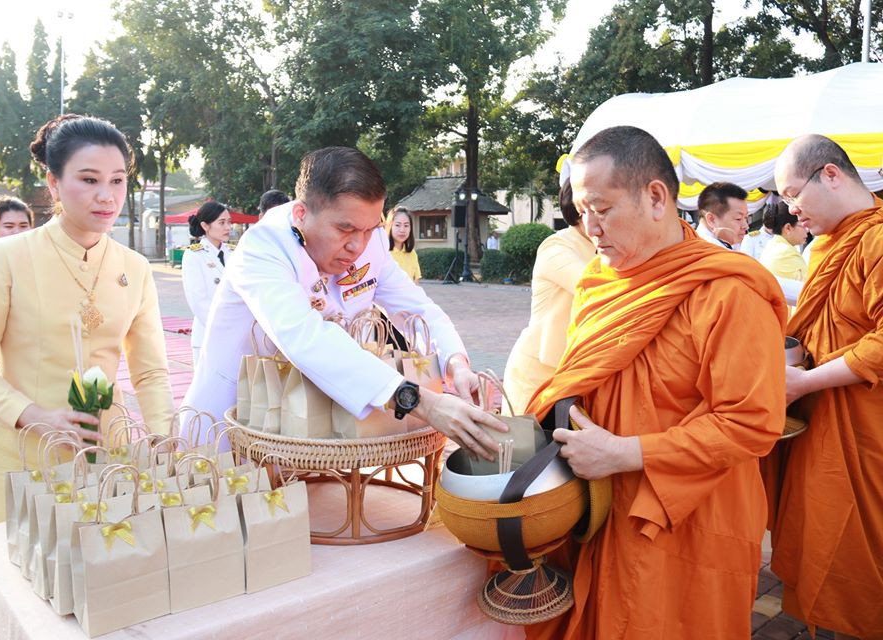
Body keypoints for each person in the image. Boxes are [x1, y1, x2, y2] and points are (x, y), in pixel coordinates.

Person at [523, 126, 786, 639]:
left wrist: (626, 453)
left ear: (657, 197)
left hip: (686, 517)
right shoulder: (602, 282)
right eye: (581, 211)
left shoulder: (729, 293)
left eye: (601, 208)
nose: (589, 227)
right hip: (600, 505)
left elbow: (752, 423)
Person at [181, 146, 506, 458]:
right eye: (345, 229)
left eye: (369, 229)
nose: (358, 246)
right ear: (300, 214)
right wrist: (425, 403)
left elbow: (417, 309)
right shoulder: (264, 246)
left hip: (313, 427)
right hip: (234, 418)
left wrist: (456, 364)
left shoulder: (372, 241)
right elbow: (305, 337)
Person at [0, 114, 174, 527]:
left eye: (118, 180)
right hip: (22, 449)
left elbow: (151, 373)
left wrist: (163, 436)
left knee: (107, 566)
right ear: (53, 183)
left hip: (110, 452)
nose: (107, 196)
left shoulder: (136, 267)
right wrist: (36, 415)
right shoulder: (6, 259)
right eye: (89, 180)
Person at [766, 134, 883, 639]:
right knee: (825, 540)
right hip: (825, 421)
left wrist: (807, 379)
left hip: (867, 429)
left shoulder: (876, 239)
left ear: (830, 174)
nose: (791, 210)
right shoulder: (830, 245)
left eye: (793, 194)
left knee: (864, 553)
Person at [502, 179, 594, 413]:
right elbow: (594, 288)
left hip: (575, 374)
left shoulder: (606, 246)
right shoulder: (556, 247)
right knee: (529, 447)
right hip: (537, 374)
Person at [181, 202, 234, 365]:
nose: (228, 227)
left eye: (229, 222)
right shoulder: (194, 255)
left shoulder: (233, 253)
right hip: (209, 333)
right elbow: (198, 301)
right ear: (205, 225)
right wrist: (222, 327)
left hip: (235, 334)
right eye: (222, 222)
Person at [759, 201, 807, 282]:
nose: (807, 230)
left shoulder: (775, 246)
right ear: (788, 228)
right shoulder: (785, 252)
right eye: (803, 225)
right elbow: (810, 287)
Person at [695, 181, 750, 249]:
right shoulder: (707, 251)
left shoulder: (726, 244)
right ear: (711, 220)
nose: (746, 226)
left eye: (746, 218)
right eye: (738, 219)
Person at [387, 206, 420, 283]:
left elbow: (415, 284)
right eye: (397, 225)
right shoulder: (383, 253)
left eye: (406, 225)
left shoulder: (412, 254)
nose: (402, 230)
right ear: (390, 226)